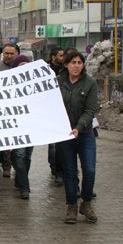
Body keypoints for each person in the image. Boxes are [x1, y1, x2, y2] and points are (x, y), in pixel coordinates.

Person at [56, 50, 98, 224]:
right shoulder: (58, 82)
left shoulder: (90, 83)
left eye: (79, 63)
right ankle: (72, 206)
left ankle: (86, 203)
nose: (76, 66)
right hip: (65, 136)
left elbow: (90, 110)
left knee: (89, 170)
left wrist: (79, 127)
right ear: (66, 64)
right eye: (73, 62)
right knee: (70, 172)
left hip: (85, 134)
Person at [0, 43, 20, 177]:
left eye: (12, 53)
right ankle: (6, 165)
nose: (9, 56)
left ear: (16, 54)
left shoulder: (23, 67)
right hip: (1, 110)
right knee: (5, 142)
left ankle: (18, 166)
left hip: (18, 110)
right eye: (7, 53)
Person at [10, 54, 34, 199]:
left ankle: (20, 179)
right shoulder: (8, 85)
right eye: (21, 66)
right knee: (19, 155)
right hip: (16, 126)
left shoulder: (35, 85)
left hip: (31, 126)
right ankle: (25, 187)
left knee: (27, 157)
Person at [48, 47, 65, 185]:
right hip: (52, 112)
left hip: (66, 112)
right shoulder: (47, 70)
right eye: (60, 55)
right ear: (53, 57)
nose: (63, 57)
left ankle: (63, 170)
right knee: (54, 145)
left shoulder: (65, 72)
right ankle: (55, 169)